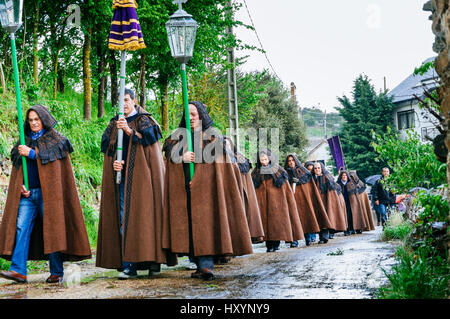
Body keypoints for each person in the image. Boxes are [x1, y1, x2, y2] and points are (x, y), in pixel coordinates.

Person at [162, 101, 253, 281]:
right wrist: (182, 157)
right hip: (184, 191)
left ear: (201, 115)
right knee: (190, 227)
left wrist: (201, 180)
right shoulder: (177, 138)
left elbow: (220, 166)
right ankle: (198, 264)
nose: (191, 118)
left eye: (194, 114)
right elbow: (169, 158)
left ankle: (205, 266)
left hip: (207, 193)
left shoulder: (212, 137)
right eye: (188, 114)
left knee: (205, 226)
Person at [0, 105, 92, 284]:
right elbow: (18, 169)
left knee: (53, 228)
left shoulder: (55, 140)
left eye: (37, 119)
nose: (33, 123)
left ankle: (56, 272)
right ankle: (18, 270)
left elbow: (54, 166)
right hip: (28, 195)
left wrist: (32, 153)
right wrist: (20, 185)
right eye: (31, 120)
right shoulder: (23, 140)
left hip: (49, 195)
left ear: (43, 119)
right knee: (21, 227)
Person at [96, 88, 175, 279]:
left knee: (146, 219)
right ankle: (128, 264)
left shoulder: (145, 120)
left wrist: (129, 131)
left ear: (133, 101)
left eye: (126, 100)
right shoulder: (113, 123)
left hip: (143, 181)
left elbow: (148, 147)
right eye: (119, 101)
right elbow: (109, 148)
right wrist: (115, 162)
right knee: (124, 218)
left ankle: (152, 260)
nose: (123, 105)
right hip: (122, 179)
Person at [251, 149, 304, 252]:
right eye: (261, 159)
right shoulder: (256, 172)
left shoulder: (278, 170)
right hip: (263, 203)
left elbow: (286, 189)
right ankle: (269, 245)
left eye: (266, 159)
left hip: (277, 203)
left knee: (276, 223)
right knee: (265, 223)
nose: (264, 161)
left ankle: (276, 243)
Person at [284, 154, 332, 246]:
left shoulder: (303, 171)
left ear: (296, 161)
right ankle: (294, 241)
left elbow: (309, 186)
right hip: (291, 199)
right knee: (293, 218)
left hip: (304, 199)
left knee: (306, 217)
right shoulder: (285, 173)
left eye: (292, 160)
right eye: (289, 161)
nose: (291, 162)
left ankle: (308, 238)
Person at [223, 137, 264, 244]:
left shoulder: (241, 159)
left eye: (228, 145)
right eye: (224, 145)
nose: (226, 147)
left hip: (242, 191)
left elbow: (245, 178)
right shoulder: (220, 159)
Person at [312, 162, 347, 242]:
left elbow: (332, 190)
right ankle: (322, 237)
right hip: (317, 202)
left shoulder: (327, 177)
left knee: (325, 218)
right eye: (315, 168)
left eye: (318, 168)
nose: (317, 170)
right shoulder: (313, 178)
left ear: (322, 168)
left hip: (325, 201)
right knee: (319, 219)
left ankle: (324, 237)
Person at [337, 170, 368, 235]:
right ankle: (348, 230)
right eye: (343, 175)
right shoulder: (338, 184)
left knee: (355, 215)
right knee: (346, 216)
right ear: (341, 176)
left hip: (353, 202)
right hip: (343, 202)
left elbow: (363, 187)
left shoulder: (351, 183)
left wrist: (357, 194)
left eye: (345, 175)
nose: (344, 177)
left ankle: (357, 228)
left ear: (347, 176)